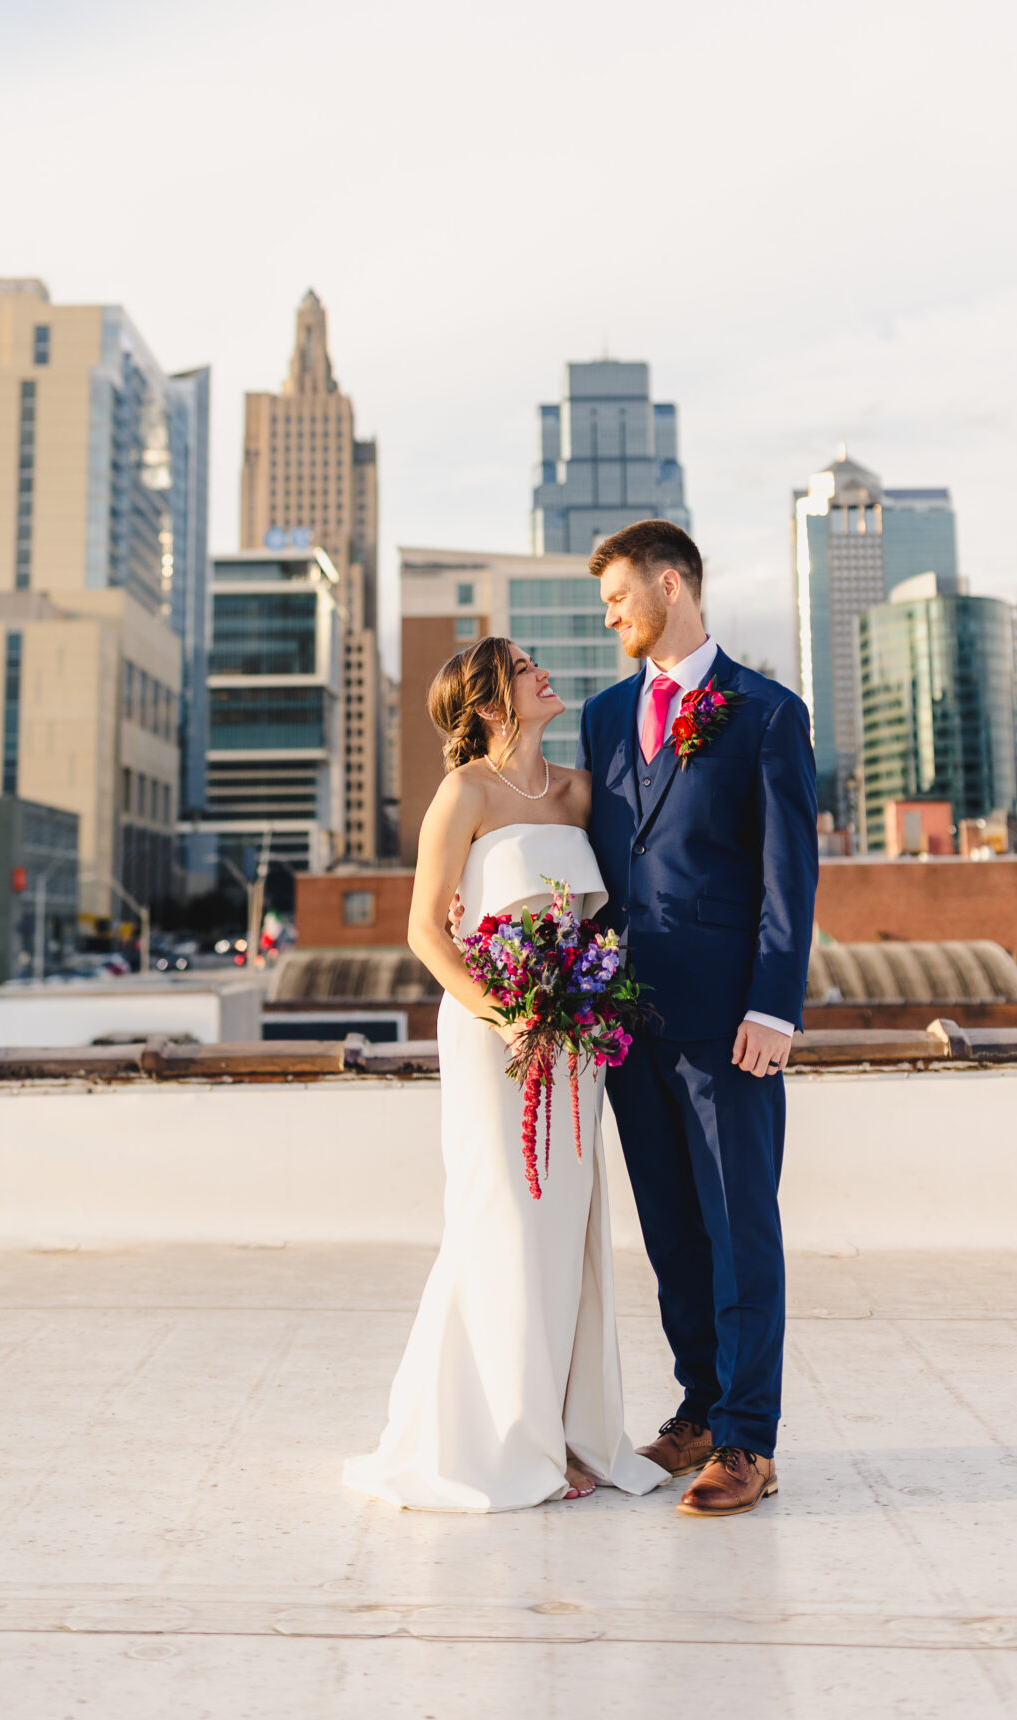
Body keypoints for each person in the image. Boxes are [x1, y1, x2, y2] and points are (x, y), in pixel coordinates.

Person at [343, 635, 668, 1513]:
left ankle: (564, 1433)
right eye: (524, 668)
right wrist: (508, 1013)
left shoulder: (579, 792)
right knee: (500, 1221)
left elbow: (608, 916)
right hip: (494, 1036)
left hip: (576, 1043)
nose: (541, 672)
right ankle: (499, 1441)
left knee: (566, 1232)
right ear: (490, 703)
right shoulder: (464, 793)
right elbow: (425, 932)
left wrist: (580, 1007)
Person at [578, 518, 818, 1519]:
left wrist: (774, 1002)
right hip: (629, 1021)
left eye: (619, 595)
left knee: (739, 1226)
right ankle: (698, 1410)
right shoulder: (600, 716)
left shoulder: (765, 712)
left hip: (730, 1022)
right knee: (674, 1229)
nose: (612, 614)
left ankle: (749, 1439)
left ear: (671, 584)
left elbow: (788, 872)